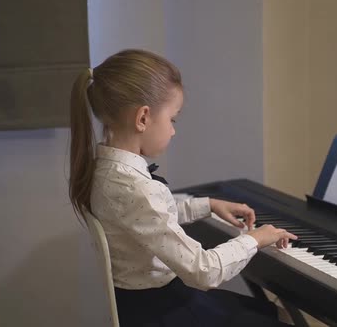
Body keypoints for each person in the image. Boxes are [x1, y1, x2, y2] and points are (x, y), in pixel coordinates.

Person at [68, 49, 297, 326]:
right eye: (172, 119)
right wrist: (256, 239)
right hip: (163, 310)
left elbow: (148, 217)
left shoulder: (107, 172)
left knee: (268, 312)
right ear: (143, 118)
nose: (173, 130)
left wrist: (208, 205)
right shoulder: (135, 188)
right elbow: (204, 271)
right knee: (274, 316)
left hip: (141, 306)